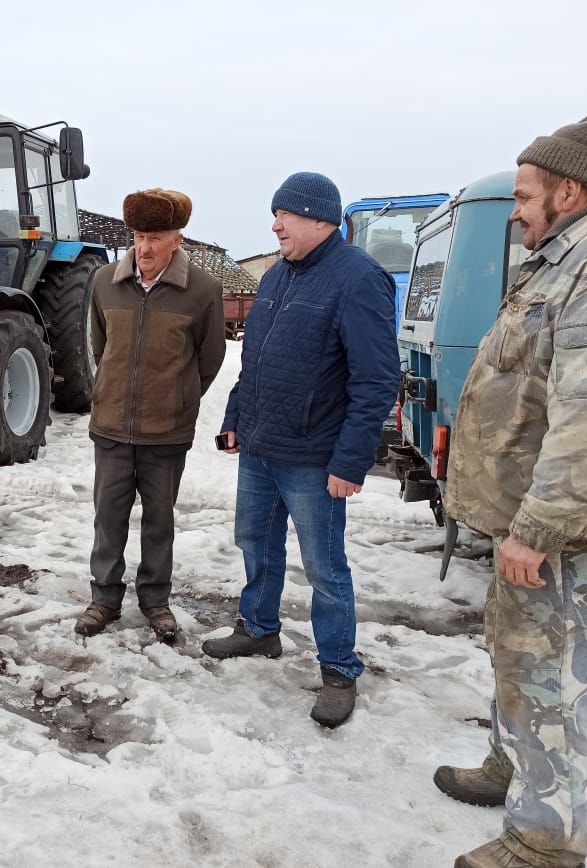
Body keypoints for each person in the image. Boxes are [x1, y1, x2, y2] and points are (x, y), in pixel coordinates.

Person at [433, 109, 587, 868]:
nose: (517, 207)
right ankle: (514, 774)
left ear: (568, 191)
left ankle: (543, 842)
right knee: (521, 663)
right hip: (530, 525)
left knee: (553, 692)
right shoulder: (565, 259)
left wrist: (536, 532)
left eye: (526, 192)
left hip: (561, 540)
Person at [202, 172, 400, 728]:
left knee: (324, 566)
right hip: (263, 446)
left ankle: (339, 667)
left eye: (283, 216)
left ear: (319, 218)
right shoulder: (276, 277)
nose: (274, 226)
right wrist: (235, 419)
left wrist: (351, 459)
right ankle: (259, 630)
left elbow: (377, 380)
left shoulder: (359, 279)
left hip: (315, 456)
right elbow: (256, 360)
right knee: (254, 541)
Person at [75, 188, 226, 643]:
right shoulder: (104, 281)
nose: (144, 248)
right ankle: (104, 598)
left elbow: (210, 357)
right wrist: (112, 391)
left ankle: (155, 601)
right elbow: (101, 348)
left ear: (177, 239)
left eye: (156, 237)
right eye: (138, 236)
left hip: (166, 431)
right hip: (112, 428)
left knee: (159, 520)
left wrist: (178, 398)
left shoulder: (202, 290)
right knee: (109, 516)